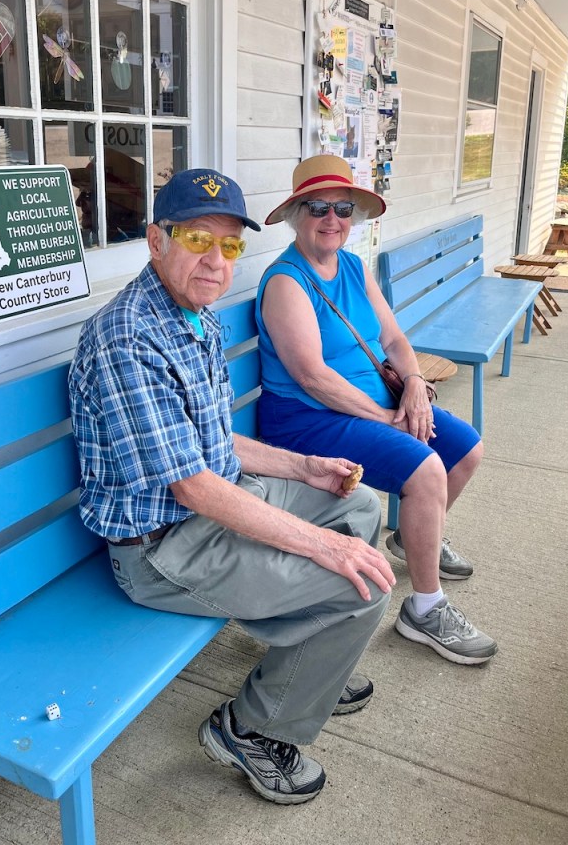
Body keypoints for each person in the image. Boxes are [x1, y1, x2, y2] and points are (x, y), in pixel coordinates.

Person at [68, 167, 394, 806]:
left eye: (231, 246)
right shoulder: (128, 337)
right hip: (164, 549)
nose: (217, 263)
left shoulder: (194, 315)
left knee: (355, 503)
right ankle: (249, 729)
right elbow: (191, 486)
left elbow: (212, 441)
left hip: (214, 505)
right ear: (156, 240)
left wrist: (303, 468)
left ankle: (307, 667)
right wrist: (320, 549)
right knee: (358, 583)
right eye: (198, 241)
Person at [255, 156, 497, 666]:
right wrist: (387, 420)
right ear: (298, 214)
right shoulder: (286, 283)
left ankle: (414, 541)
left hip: (372, 401)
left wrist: (412, 383)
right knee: (427, 467)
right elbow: (312, 377)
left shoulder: (353, 266)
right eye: (317, 207)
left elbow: (392, 337)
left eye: (343, 208)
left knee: (465, 450)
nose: (332, 218)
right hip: (306, 417)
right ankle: (425, 610)